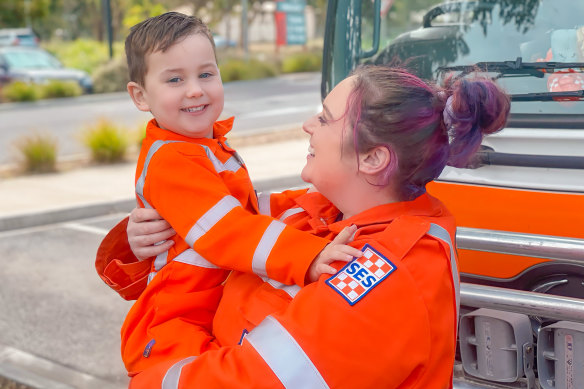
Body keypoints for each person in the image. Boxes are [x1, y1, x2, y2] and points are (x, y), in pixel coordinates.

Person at [96, 65, 510, 388]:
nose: (308, 126)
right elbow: (219, 221)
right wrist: (139, 236)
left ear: (372, 160)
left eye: (325, 120)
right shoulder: (324, 211)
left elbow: (255, 381)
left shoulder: (383, 276)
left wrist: (153, 374)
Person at [104, 11, 363, 376]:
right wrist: (307, 255)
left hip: (209, 308)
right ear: (140, 96)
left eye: (206, 74)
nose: (195, 89)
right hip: (177, 321)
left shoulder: (204, 145)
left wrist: (315, 199)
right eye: (175, 79)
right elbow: (229, 229)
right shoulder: (171, 159)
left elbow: (246, 207)